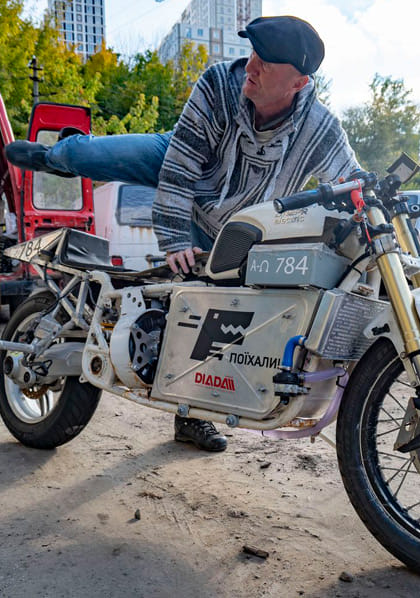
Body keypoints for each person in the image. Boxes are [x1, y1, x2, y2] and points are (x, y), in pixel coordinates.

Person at [5, 15, 359, 452]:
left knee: (208, 320)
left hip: (236, 220)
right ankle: (54, 154)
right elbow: (178, 168)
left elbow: (353, 183)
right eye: (252, 55)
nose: (251, 67)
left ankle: (191, 418)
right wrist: (174, 238)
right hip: (185, 160)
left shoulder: (320, 129)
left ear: (299, 83)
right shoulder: (219, 83)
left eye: (265, 64)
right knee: (96, 153)